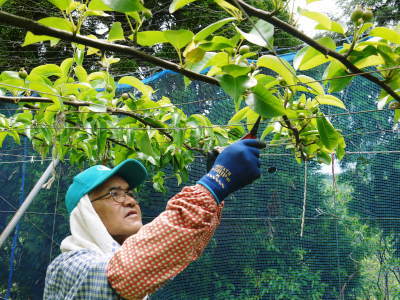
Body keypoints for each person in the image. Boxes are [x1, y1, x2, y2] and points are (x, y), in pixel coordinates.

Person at [43, 139, 266, 299]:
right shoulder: (68, 266)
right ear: (86, 213)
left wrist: (216, 196)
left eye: (129, 193)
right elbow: (125, 274)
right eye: (115, 194)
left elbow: (177, 250)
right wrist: (214, 184)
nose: (130, 201)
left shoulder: (125, 267)